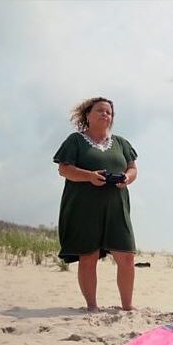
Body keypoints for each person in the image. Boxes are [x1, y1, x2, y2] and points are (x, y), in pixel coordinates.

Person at [53, 96, 139, 311]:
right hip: (84, 208)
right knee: (88, 257)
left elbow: (133, 168)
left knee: (127, 256)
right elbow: (64, 169)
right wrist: (89, 176)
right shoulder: (75, 141)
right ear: (88, 115)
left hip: (116, 208)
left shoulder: (121, 143)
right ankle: (92, 306)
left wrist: (127, 178)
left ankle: (127, 307)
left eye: (109, 112)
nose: (105, 115)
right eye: (100, 110)